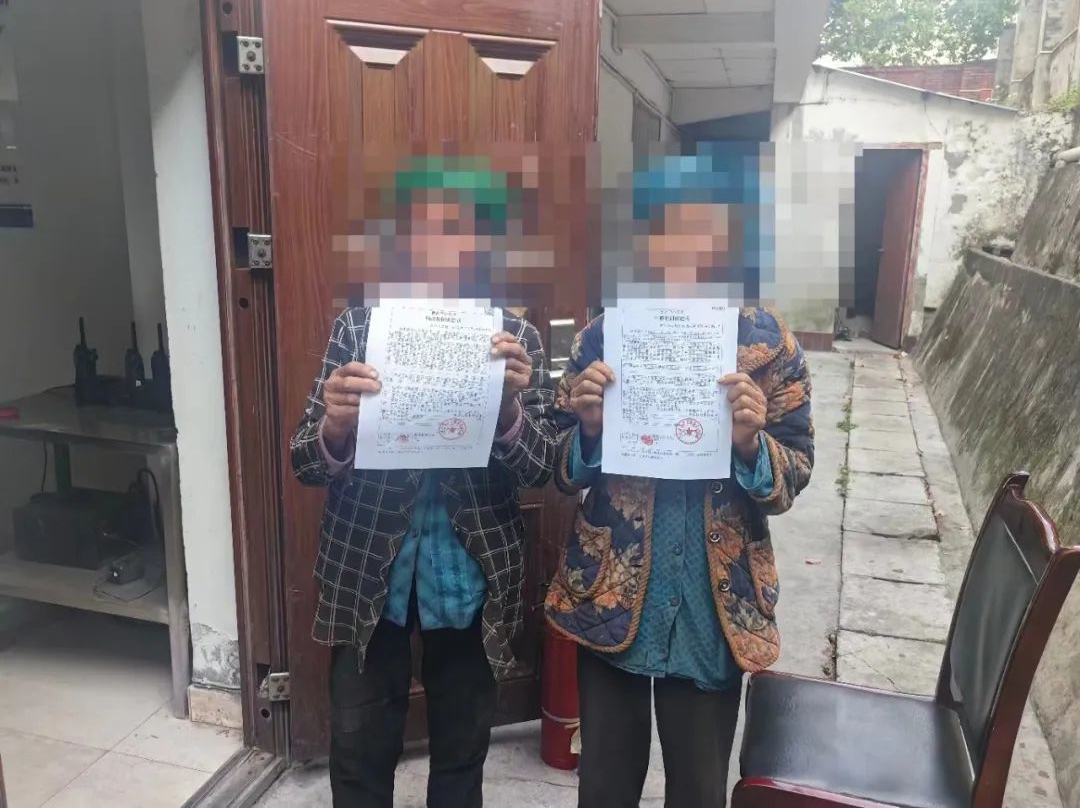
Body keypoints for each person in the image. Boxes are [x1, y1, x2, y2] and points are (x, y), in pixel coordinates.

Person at [546, 150, 815, 808]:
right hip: (611, 594)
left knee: (698, 787)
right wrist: (588, 430)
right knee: (604, 785)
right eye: (668, 228)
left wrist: (750, 444)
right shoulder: (604, 338)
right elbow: (556, 465)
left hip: (712, 604)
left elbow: (795, 469)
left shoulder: (770, 346)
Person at [290, 159, 557, 808]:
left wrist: (508, 411)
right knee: (358, 752)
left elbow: (545, 467)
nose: (442, 248)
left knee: (462, 753)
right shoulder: (360, 328)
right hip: (366, 570)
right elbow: (304, 461)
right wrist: (336, 426)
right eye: (425, 230)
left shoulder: (514, 338)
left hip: (470, 573)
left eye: (461, 230)